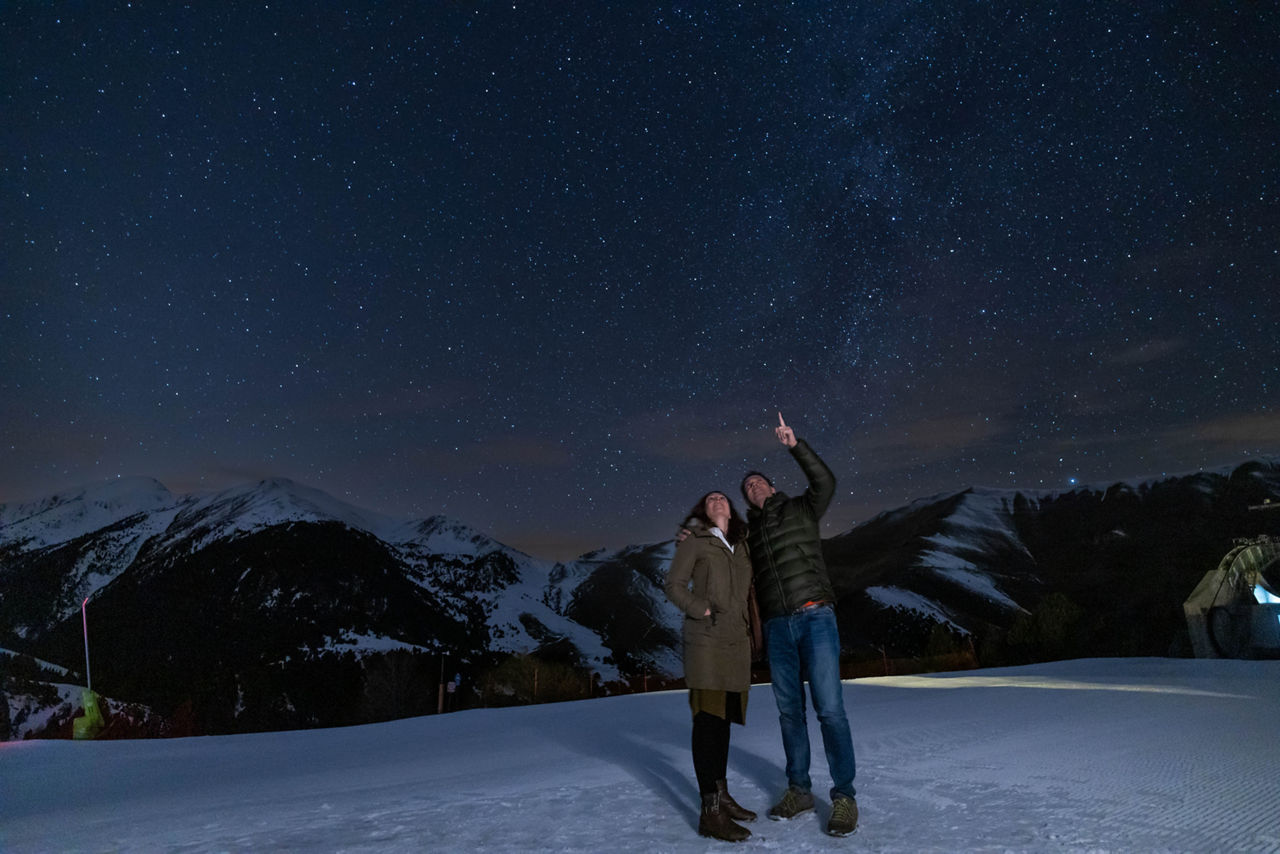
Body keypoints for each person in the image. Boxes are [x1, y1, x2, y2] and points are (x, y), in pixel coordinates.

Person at [742, 412, 858, 837]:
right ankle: (800, 790)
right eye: (747, 489)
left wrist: (795, 445)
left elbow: (825, 482)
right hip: (777, 628)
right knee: (790, 713)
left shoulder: (800, 509)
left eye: (759, 483)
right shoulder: (749, 535)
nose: (754, 489)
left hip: (815, 616)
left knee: (829, 709)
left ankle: (844, 797)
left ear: (772, 487)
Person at [664, 490, 758, 842]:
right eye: (709, 499)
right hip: (705, 640)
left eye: (723, 497)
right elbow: (672, 584)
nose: (717, 500)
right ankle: (710, 812)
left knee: (723, 722)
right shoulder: (696, 541)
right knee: (707, 721)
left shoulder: (743, 544)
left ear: (731, 510)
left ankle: (723, 796)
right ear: (703, 511)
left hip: (736, 642)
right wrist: (698, 607)